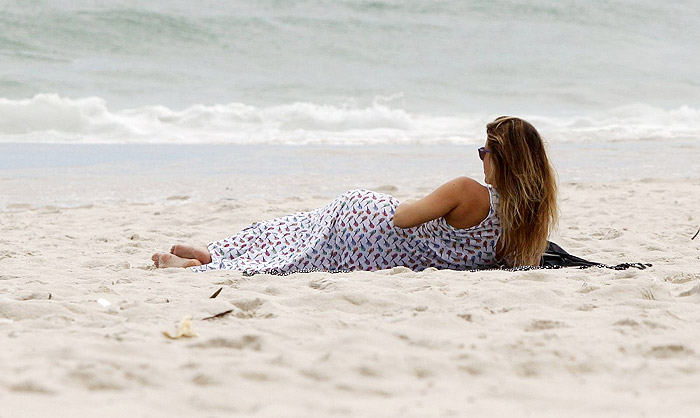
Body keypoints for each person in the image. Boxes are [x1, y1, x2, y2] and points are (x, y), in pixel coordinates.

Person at [151, 116, 558, 273]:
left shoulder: (467, 191)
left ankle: (209, 257)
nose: (480, 158)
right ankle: (210, 257)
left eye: (485, 151)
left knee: (290, 234)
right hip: (402, 253)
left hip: (373, 229)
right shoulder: (527, 221)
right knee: (296, 240)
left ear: (502, 160)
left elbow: (402, 218)